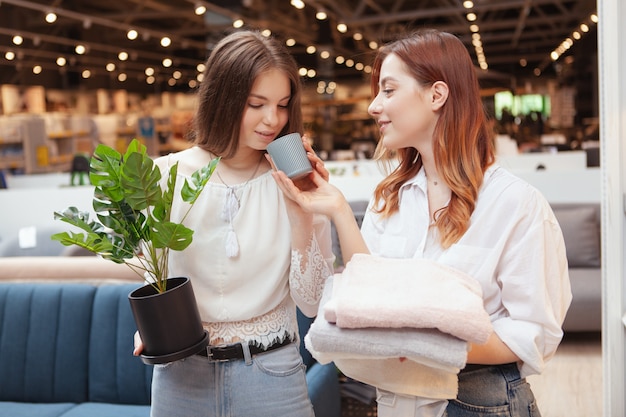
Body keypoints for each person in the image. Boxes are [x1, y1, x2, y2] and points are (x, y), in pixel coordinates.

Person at [272, 29, 572, 417]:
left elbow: (534, 333)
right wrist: (338, 210)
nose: (373, 106)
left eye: (389, 90)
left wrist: (415, 340)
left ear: (436, 95)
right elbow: (373, 297)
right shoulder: (389, 197)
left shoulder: (515, 204)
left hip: (478, 400)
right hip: (397, 401)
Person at [133, 30, 334, 417]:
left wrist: (302, 210)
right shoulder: (164, 176)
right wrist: (152, 324)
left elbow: (312, 303)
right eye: (256, 104)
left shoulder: (297, 180)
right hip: (181, 377)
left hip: (272, 375)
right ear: (223, 99)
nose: (272, 120)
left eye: (282, 104)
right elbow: (151, 275)